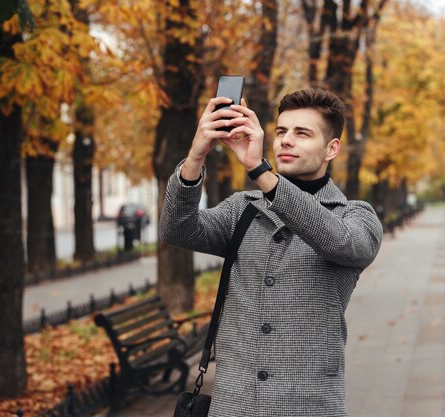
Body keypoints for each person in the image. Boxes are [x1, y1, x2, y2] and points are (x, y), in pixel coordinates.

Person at [160, 88, 383, 416]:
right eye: (281, 131)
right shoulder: (243, 209)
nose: (286, 140)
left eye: (302, 133)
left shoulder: (354, 215)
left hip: (307, 405)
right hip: (233, 404)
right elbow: (177, 229)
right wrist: (195, 157)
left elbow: (341, 243)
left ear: (331, 148)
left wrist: (261, 173)